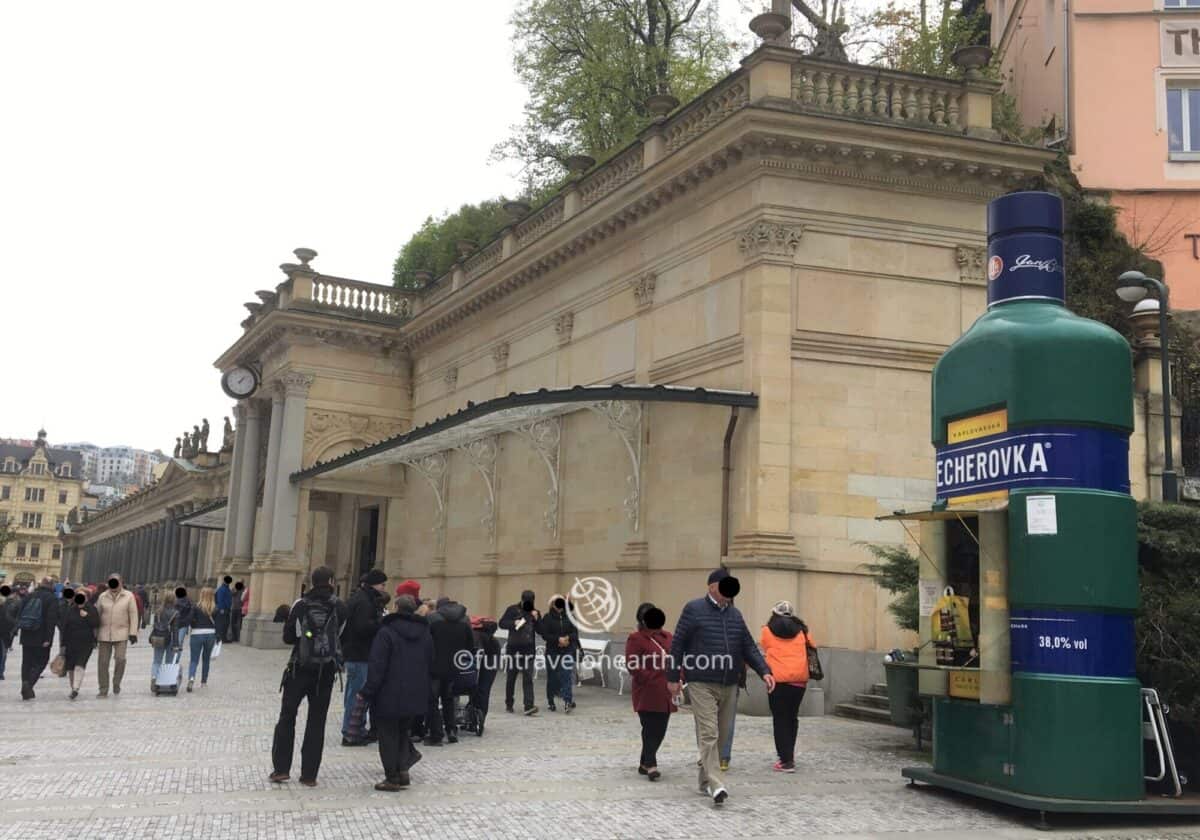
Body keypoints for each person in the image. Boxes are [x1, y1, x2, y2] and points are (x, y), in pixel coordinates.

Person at [667, 568, 774, 805]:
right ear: (712, 586)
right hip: (700, 681)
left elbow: (748, 646)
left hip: (729, 683)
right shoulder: (693, 609)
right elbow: (677, 645)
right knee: (709, 733)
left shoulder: (735, 615)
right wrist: (672, 677)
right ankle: (717, 784)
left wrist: (765, 671)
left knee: (721, 737)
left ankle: (704, 778)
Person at [270, 566, 347, 787]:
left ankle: (281, 769)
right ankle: (309, 774)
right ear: (332, 581)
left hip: (299, 668)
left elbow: (288, 637)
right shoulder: (340, 607)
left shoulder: (301, 605)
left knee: (287, 717)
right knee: (317, 721)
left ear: (312, 582)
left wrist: (307, 638)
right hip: (326, 671)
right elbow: (341, 636)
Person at [360, 594, 433, 791]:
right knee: (403, 732)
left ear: (395, 607)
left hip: (389, 693)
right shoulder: (424, 632)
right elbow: (430, 661)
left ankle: (392, 777)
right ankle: (403, 772)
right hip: (414, 692)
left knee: (388, 736)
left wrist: (367, 691)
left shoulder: (386, 632)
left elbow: (377, 665)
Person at [760, 601, 815, 773]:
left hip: (777, 680)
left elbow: (764, 646)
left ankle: (785, 760)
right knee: (792, 717)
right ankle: (789, 755)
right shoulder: (802, 631)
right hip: (799, 681)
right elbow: (812, 646)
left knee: (780, 719)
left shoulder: (767, 631)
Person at [625, 603, 676, 781]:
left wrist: (679, 677)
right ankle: (652, 764)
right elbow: (632, 664)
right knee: (649, 727)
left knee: (660, 729)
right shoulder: (636, 638)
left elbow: (678, 658)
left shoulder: (668, 636)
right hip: (646, 691)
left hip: (667, 691)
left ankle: (643, 763)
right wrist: (648, 677)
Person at [341, 569, 389, 747]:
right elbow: (362, 628)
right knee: (357, 694)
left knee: (354, 693)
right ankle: (351, 733)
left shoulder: (361, 597)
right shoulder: (365, 601)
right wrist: (381, 622)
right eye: (383, 584)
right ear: (375, 584)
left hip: (356, 653)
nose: (384, 588)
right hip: (360, 654)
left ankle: (354, 729)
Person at [426, 596, 474, 745]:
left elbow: (427, 643)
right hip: (454, 668)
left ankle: (436, 734)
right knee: (449, 700)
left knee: (432, 700)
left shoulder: (433, 620)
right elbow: (469, 648)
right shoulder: (465, 622)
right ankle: (451, 730)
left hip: (435, 667)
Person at [95, 573, 140, 698]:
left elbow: (133, 615)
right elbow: (97, 614)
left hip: (122, 633)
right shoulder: (102, 596)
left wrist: (133, 633)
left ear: (121, 582)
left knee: (120, 659)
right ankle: (103, 688)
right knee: (103, 662)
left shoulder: (129, 596)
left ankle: (116, 682)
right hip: (104, 633)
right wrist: (94, 632)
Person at [499, 589, 540, 715]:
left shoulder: (535, 612)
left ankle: (528, 706)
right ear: (522, 600)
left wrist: (537, 619)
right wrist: (514, 622)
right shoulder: (512, 609)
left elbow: (540, 630)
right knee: (511, 677)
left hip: (528, 650)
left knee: (528, 677)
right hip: (513, 649)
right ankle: (509, 703)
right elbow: (501, 623)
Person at [538, 594, 579, 713]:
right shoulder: (547, 617)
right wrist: (558, 640)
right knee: (552, 677)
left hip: (567, 651)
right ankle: (551, 701)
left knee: (566, 675)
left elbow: (575, 634)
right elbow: (545, 635)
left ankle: (567, 701)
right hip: (552, 652)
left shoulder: (570, 617)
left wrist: (567, 638)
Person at [18, 578, 58, 699]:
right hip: (41, 636)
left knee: (26, 662)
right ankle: (29, 684)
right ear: (51, 586)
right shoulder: (52, 599)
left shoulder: (29, 595)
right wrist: (48, 639)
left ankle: (25, 683)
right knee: (41, 661)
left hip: (27, 633)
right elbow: (51, 620)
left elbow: (20, 613)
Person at [62, 589, 100, 700]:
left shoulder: (91, 609)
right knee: (71, 667)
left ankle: (75, 688)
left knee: (80, 664)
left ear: (87, 598)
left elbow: (96, 623)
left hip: (86, 642)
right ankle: (73, 686)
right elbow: (65, 627)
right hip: (71, 642)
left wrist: (87, 616)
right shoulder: (71, 609)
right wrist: (63, 644)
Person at [467, 615, 500, 736]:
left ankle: (474, 716)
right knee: (484, 689)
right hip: (492, 653)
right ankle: (479, 718)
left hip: (485, 653)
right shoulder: (488, 637)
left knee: (475, 686)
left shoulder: (474, 634)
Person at [187, 586, 219, 692]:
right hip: (210, 634)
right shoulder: (215, 608)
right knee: (206, 659)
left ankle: (191, 677)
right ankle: (204, 682)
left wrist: (195, 625)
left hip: (197, 634)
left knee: (194, 659)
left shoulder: (196, 607)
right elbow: (219, 624)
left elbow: (190, 619)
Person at [149, 591, 181, 687]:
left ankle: (154, 677)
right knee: (168, 662)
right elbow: (175, 630)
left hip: (158, 637)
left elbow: (155, 626)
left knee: (156, 661)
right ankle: (165, 682)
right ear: (174, 600)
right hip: (170, 639)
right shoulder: (175, 613)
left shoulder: (158, 611)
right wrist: (176, 645)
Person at [0, 585, 18, 680]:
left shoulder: (10, 604)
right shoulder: (11, 604)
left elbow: (11, 620)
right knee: (3, 654)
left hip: (5, 633)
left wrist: (13, 630)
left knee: (3, 653)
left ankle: (1, 672)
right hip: (5, 633)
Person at [214, 576, 234, 642]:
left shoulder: (227, 589)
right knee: (221, 624)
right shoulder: (222, 589)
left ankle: (223, 637)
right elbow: (220, 599)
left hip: (227, 609)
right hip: (222, 609)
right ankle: (220, 638)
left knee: (226, 623)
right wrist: (221, 608)